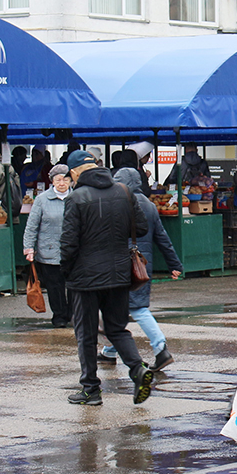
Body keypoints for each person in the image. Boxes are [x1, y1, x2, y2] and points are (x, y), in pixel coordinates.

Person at [60, 150, 154, 407]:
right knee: (116, 329)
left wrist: (65, 272)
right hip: (119, 273)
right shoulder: (123, 191)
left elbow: (68, 244)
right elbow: (142, 227)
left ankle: (90, 389)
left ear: (75, 173)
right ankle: (137, 369)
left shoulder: (76, 198)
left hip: (84, 278)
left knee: (86, 334)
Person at [97, 167, 183, 371]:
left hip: (119, 263)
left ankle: (161, 348)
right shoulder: (150, 205)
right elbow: (162, 238)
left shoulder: (117, 203)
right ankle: (110, 349)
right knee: (120, 308)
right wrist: (174, 264)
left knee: (134, 308)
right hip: (142, 265)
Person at [23, 164, 73, 328]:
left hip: (74, 251)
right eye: (58, 180)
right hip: (49, 251)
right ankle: (59, 316)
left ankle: (72, 314)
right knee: (55, 286)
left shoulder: (77, 197)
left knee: (74, 285)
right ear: (52, 181)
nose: (62, 183)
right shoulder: (42, 200)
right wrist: (29, 248)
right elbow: (32, 225)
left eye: (66, 179)